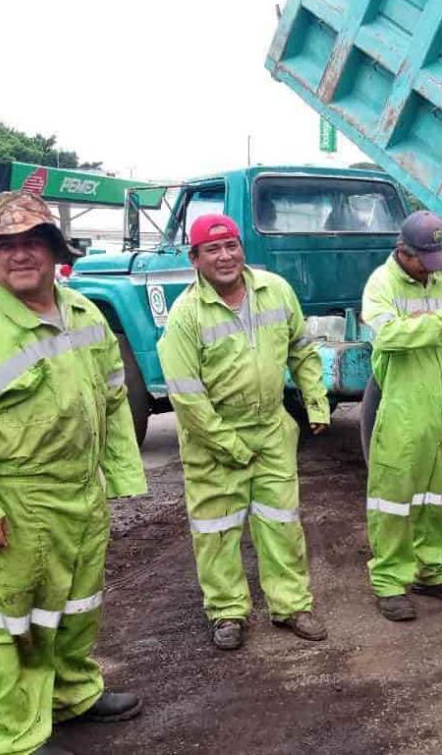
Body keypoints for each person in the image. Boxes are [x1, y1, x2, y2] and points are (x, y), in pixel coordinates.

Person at [0, 191, 146, 755]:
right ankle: (16, 737)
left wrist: (118, 476)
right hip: (15, 499)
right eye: (5, 246)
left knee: (76, 607)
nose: (19, 256)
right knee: (5, 624)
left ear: (55, 252)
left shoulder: (85, 313)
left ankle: (72, 695)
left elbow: (115, 398)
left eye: (31, 243)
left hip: (81, 493)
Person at [157, 213, 329, 651]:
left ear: (242, 248)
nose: (225, 256)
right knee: (217, 529)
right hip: (212, 435)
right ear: (194, 259)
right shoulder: (185, 315)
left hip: (271, 426)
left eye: (231, 245)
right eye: (212, 249)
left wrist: (316, 401)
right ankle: (227, 611)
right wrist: (228, 444)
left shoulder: (275, 290)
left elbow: (301, 349)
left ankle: (291, 606)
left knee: (281, 522)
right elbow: (186, 395)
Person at [361, 210, 442, 621]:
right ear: (404, 252)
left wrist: (431, 320)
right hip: (404, 409)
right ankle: (389, 581)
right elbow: (390, 336)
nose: (434, 270)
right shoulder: (381, 284)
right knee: (393, 500)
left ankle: (434, 571)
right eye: (427, 260)